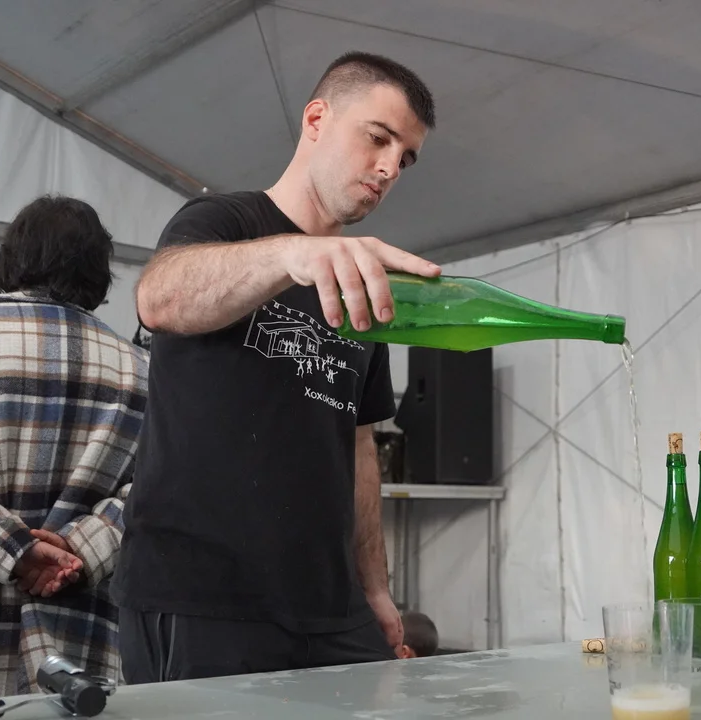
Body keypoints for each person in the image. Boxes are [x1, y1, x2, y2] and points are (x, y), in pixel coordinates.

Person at [111, 51, 442, 682]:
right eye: (378, 138)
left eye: (405, 158)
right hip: (203, 597)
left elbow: (359, 442)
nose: (388, 167)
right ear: (317, 119)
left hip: (331, 605)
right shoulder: (222, 222)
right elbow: (159, 298)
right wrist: (294, 254)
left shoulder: (363, 283)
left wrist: (375, 586)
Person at [0, 196, 149, 702]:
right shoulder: (141, 371)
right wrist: (79, 550)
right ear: (100, 276)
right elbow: (157, 490)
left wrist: (13, 550)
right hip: (79, 659)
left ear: (11, 259)